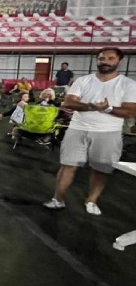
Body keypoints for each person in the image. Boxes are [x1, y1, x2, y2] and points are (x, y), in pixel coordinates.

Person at [43, 47, 136, 215]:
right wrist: (93, 106)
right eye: (102, 58)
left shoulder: (128, 84)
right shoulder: (83, 81)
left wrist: (107, 109)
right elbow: (68, 103)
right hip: (77, 128)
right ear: (97, 60)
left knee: (101, 169)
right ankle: (58, 199)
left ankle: (91, 201)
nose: (105, 62)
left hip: (108, 132)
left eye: (110, 58)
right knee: (67, 166)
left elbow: (129, 111)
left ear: (119, 61)